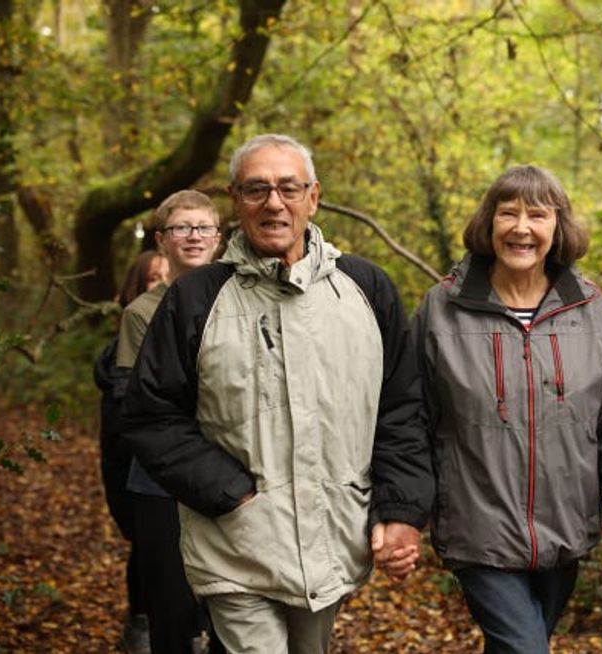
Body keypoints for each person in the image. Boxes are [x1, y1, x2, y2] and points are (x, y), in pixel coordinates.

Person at [121, 133, 433, 654]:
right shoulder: (195, 298)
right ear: (235, 201)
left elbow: (400, 409)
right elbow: (150, 415)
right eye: (256, 189)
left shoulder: (365, 288)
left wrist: (401, 509)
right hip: (234, 543)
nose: (274, 203)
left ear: (313, 197)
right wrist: (230, 492)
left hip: (331, 538)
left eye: (289, 188)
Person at [410, 165, 602, 653]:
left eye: (537, 215)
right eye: (508, 213)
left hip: (565, 531)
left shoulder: (591, 311)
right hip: (477, 532)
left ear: (558, 227)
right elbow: (411, 421)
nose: (522, 228)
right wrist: (404, 513)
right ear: (489, 223)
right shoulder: (441, 309)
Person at [116, 189, 226, 654]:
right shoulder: (141, 312)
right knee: (172, 608)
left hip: (235, 473)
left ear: (218, 238)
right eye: (182, 227)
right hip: (161, 482)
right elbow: (137, 402)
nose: (194, 236)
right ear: (162, 240)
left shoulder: (240, 297)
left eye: (203, 227)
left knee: (231, 605)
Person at [94, 249, 168, 654]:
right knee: (147, 550)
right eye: (153, 279)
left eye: (167, 277)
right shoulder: (116, 361)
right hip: (137, 475)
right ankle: (140, 619)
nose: (163, 286)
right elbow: (115, 443)